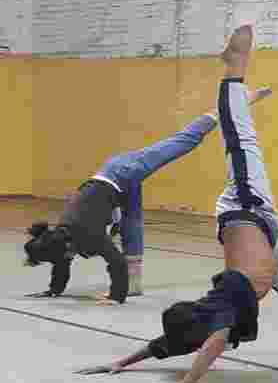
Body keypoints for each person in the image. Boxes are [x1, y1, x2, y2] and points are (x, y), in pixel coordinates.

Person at [74, 24, 278, 383]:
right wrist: (120, 363)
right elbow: (160, 346)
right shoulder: (200, 325)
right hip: (261, 239)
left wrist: (189, 381)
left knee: (240, 140)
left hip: (245, 210)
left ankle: (235, 67)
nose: (184, 346)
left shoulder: (219, 314)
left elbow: (212, 342)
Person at [20, 100, 253, 303]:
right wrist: (54, 291)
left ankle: (215, 114)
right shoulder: (61, 237)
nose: (65, 260)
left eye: (64, 257)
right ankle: (134, 284)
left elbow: (116, 262)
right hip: (116, 185)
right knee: (131, 223)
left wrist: (115, 297)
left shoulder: (86, 233)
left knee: (180, 144)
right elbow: (61, 265)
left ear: (65, 249)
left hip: (121, 172)